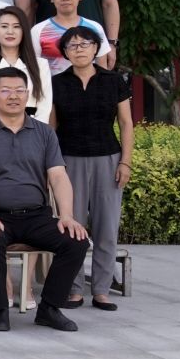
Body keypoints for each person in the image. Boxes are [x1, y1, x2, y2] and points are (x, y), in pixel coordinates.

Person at [0, 66, 91, 332]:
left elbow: (58, 176)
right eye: (5, 90)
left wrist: (66, 215)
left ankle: (49, 308)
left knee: (76, 241)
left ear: (28, 95)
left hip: (36, 215)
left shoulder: (44, 132)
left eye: (19, 90)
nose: (13, 96)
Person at [53, 26, 132, 312]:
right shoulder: (57, 83)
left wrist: (125, 161)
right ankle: (74, 289)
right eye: (72, 46)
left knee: (106, 227)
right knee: (71, 226)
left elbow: (126, 123)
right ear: (65, 52)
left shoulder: (114, 81)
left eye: (85, 44)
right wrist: (52, 167)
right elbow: (51, 127)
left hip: (108, 159)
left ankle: (101, 290)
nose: (79, 49)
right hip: (68, 160)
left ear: (96, 47)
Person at [0, 8, 54, 121]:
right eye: (4, 26)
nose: (10, 32)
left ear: (24, 31)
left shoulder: (40, 64)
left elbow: (44, 106)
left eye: (16, 26)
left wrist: (36, 130)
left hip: (33, 126)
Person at [36, 0, 116, 73]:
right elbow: (34, 68)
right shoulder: (38, 30)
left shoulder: (95, 28)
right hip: (51, 83)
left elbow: (102, 68)